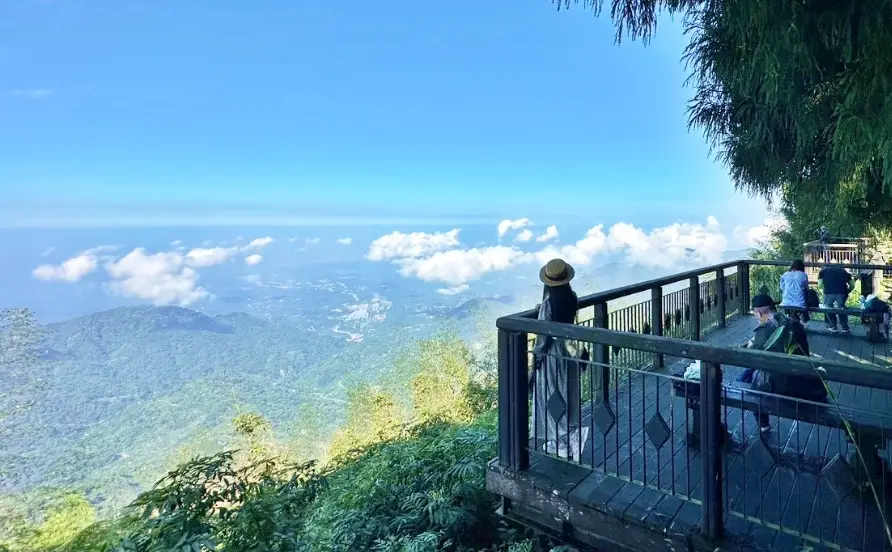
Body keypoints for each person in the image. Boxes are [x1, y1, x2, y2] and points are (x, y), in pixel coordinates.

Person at [531, 258, 589, 461]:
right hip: (569, 350)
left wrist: (536, 357)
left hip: (553, 354)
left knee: (551, 396)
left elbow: (542, 335)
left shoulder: (549, 303)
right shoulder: (571, 297)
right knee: (566, 392)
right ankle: (569, 437)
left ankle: (560, 442)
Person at [745, 293, 827, 434]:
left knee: (752, 381)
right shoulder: (795, 325)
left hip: (780, 386)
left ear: (758, 313)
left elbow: (753, 358)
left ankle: (763, 424)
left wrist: (751, 344)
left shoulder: (764, 330)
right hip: (804, 382)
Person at [817, 259, 855, 333]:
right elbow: (852, 285)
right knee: (841, 308)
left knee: (828, 308)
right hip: (842, 293)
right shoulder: (843, 271)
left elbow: (820, 285)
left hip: (828, 293)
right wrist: (847, 291)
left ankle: (833, 326)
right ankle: (845, 327)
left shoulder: (823, 272)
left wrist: (825, 290)